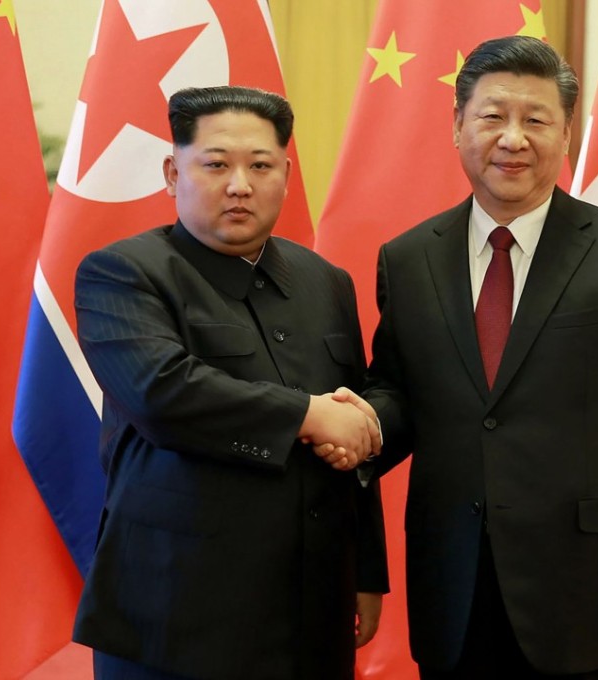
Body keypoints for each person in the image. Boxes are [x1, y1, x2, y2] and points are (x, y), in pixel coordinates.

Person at [328, 35, 598, 679]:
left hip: (587, 587)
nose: (513, 138)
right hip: (453, 581)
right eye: (493, 116)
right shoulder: (409, 258)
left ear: (566, 135)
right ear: (457, 126)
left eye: (536, 120)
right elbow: (401, 393)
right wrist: (353, 428)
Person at [72, 85, 388, 680]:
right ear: (173, 172)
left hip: (312, 608)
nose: (239, 184)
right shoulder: (123, 273)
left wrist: (365, 572)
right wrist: (308, 416)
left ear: (286, 175)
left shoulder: (327, 281)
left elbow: (352, 425)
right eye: (216, 164)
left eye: (260, 165)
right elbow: (162, 393)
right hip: (175, 613)